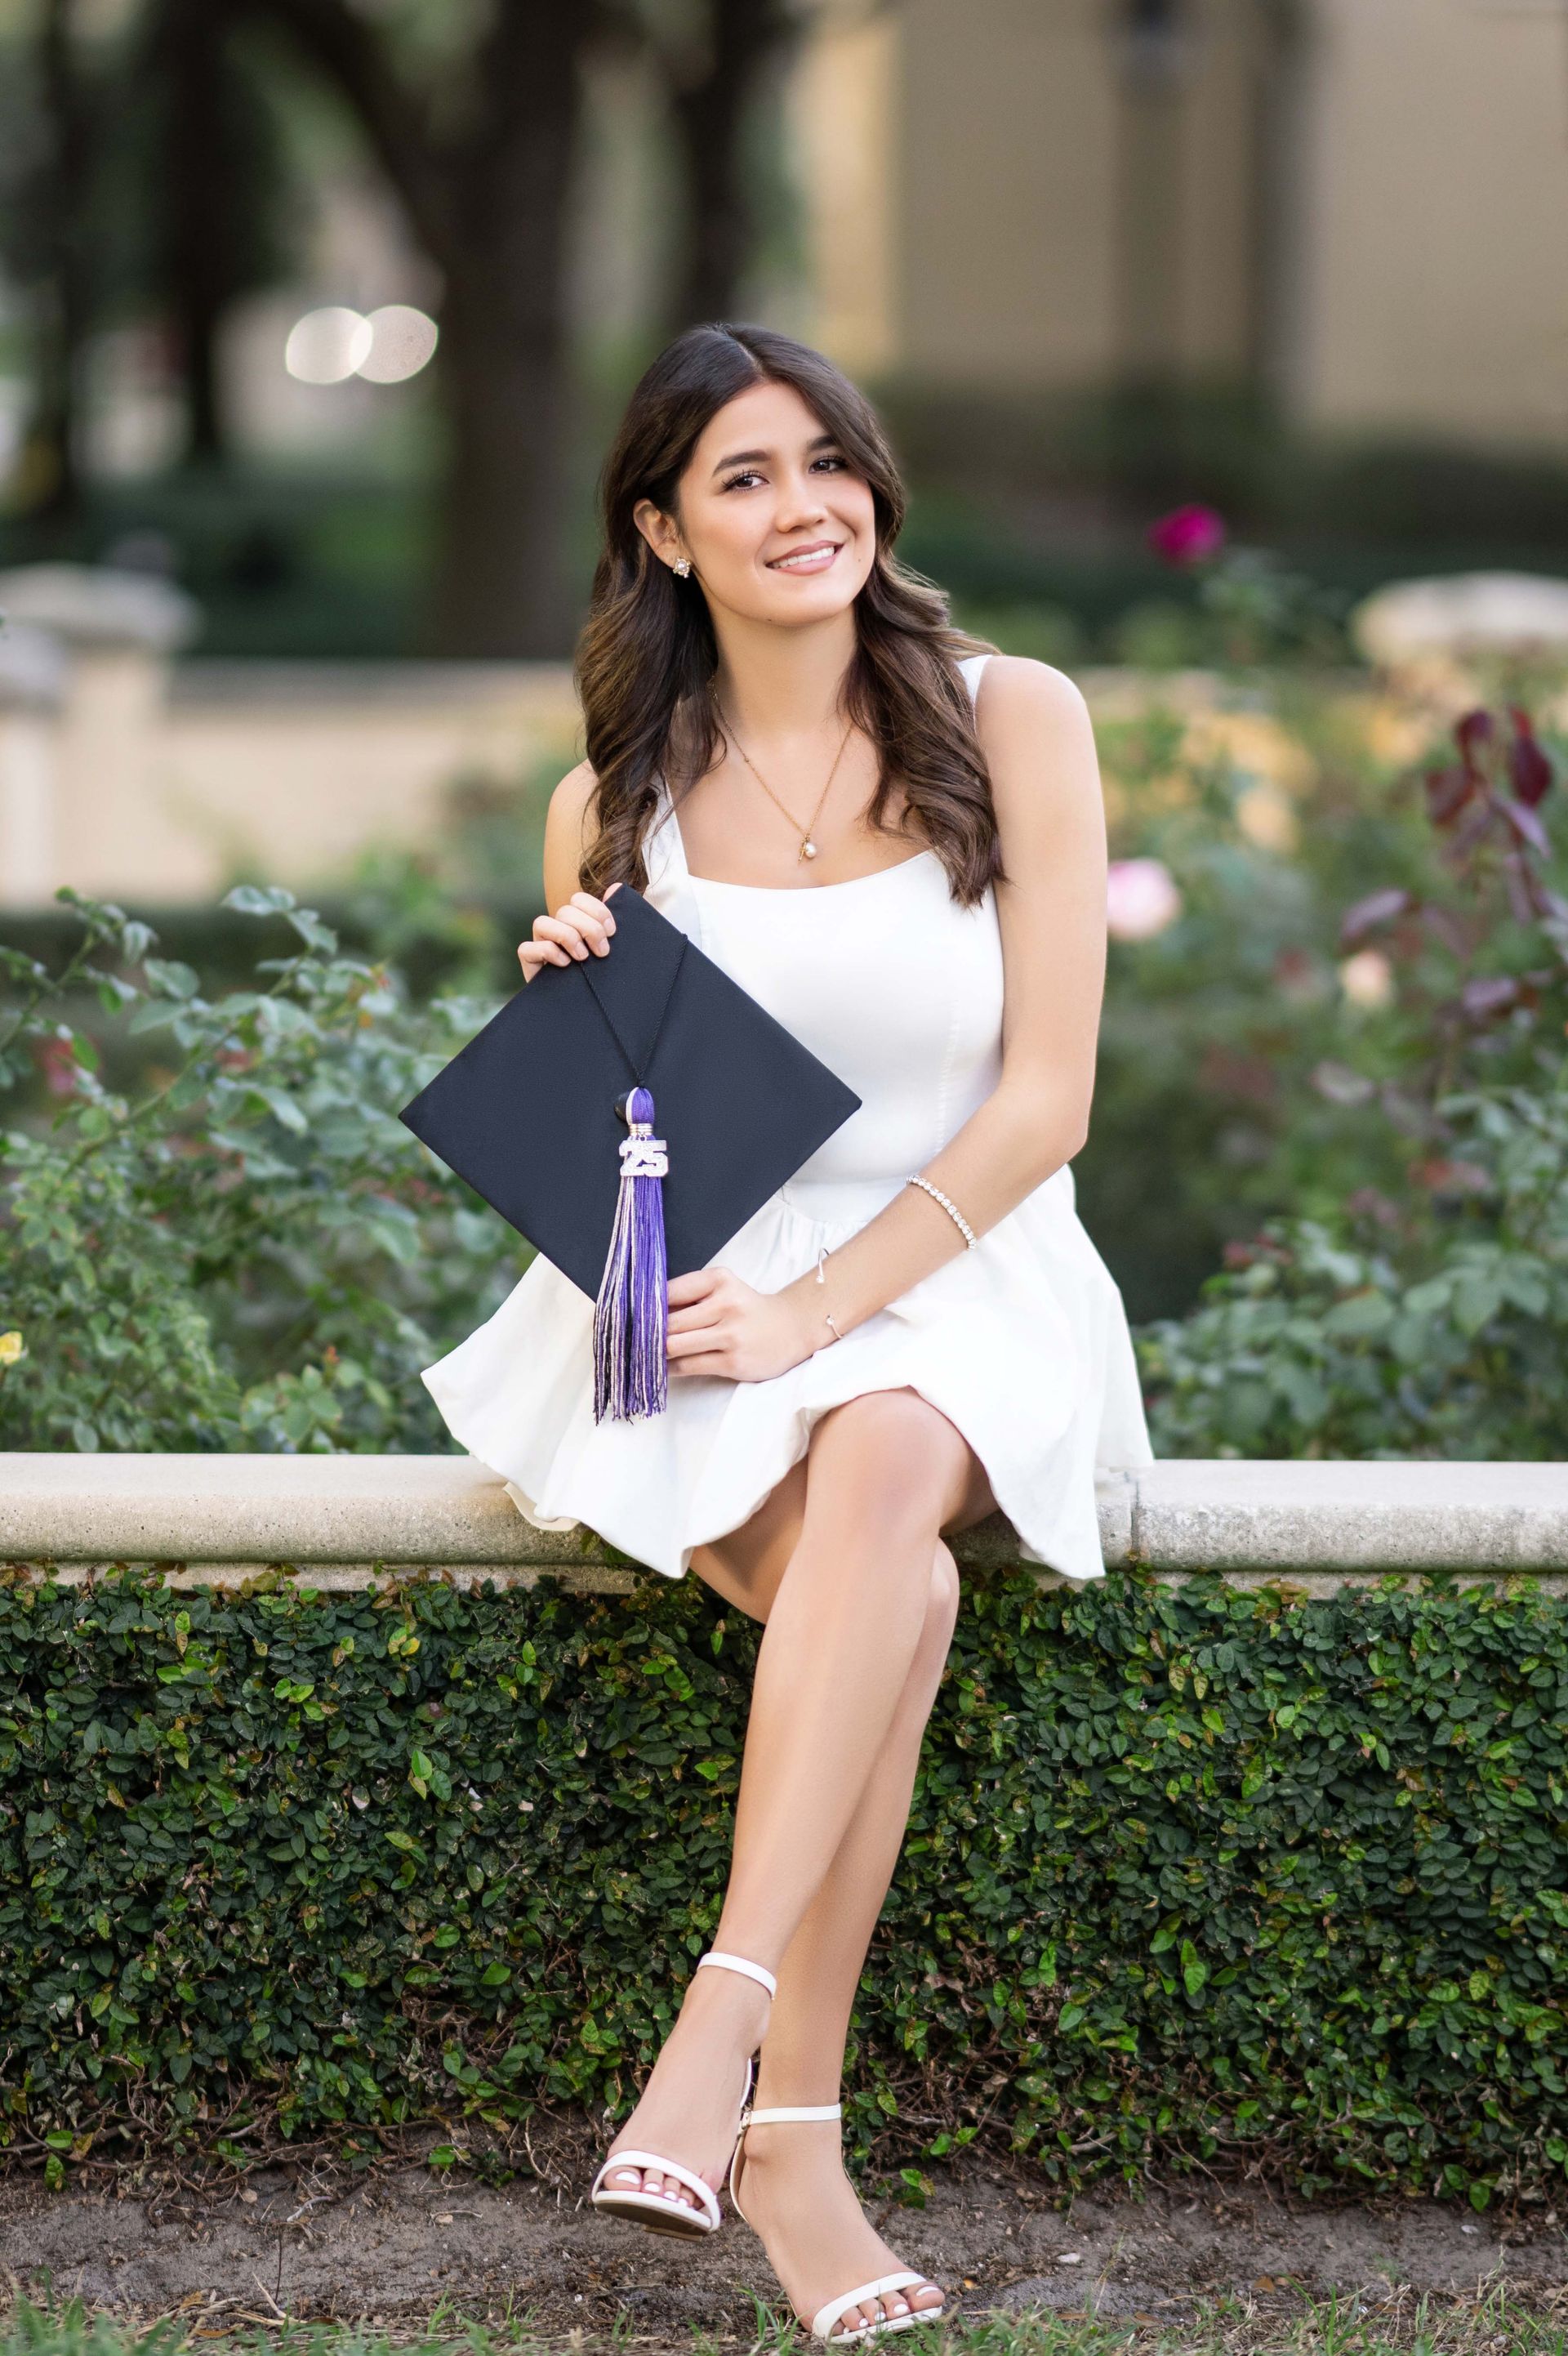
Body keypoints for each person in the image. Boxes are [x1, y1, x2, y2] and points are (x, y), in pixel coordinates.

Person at [421, 321, 1154, 2343]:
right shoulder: (614, 806)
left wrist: (828, 1307)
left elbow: (1049, 1103)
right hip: (701, 1287)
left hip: (964, 1261)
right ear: (661, 529)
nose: (801, 503)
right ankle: (792, 2142)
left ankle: (714, 2024)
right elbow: (629, 1123)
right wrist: (584, 979)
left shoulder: (1018, 719)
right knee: (889, 1584)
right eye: (742, 476)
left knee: (898, 1441)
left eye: (826, 460)